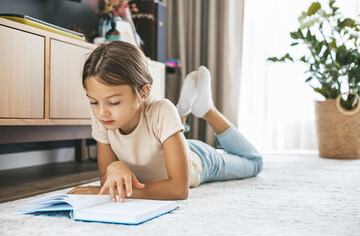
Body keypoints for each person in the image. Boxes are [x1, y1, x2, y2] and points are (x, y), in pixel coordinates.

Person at [68, 41, 262, 202]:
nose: (102, 112)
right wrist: (115, 167)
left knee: (254, 162)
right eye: (93, 101)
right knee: (163, 123)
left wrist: (122, 192)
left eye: (114, 102)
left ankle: (207, 110)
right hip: (166, 144)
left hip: (199, 160)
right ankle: (182, 115)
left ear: (144, 91)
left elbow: (178, 189)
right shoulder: (104, 115)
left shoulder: (161, 110)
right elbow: (107, 181)